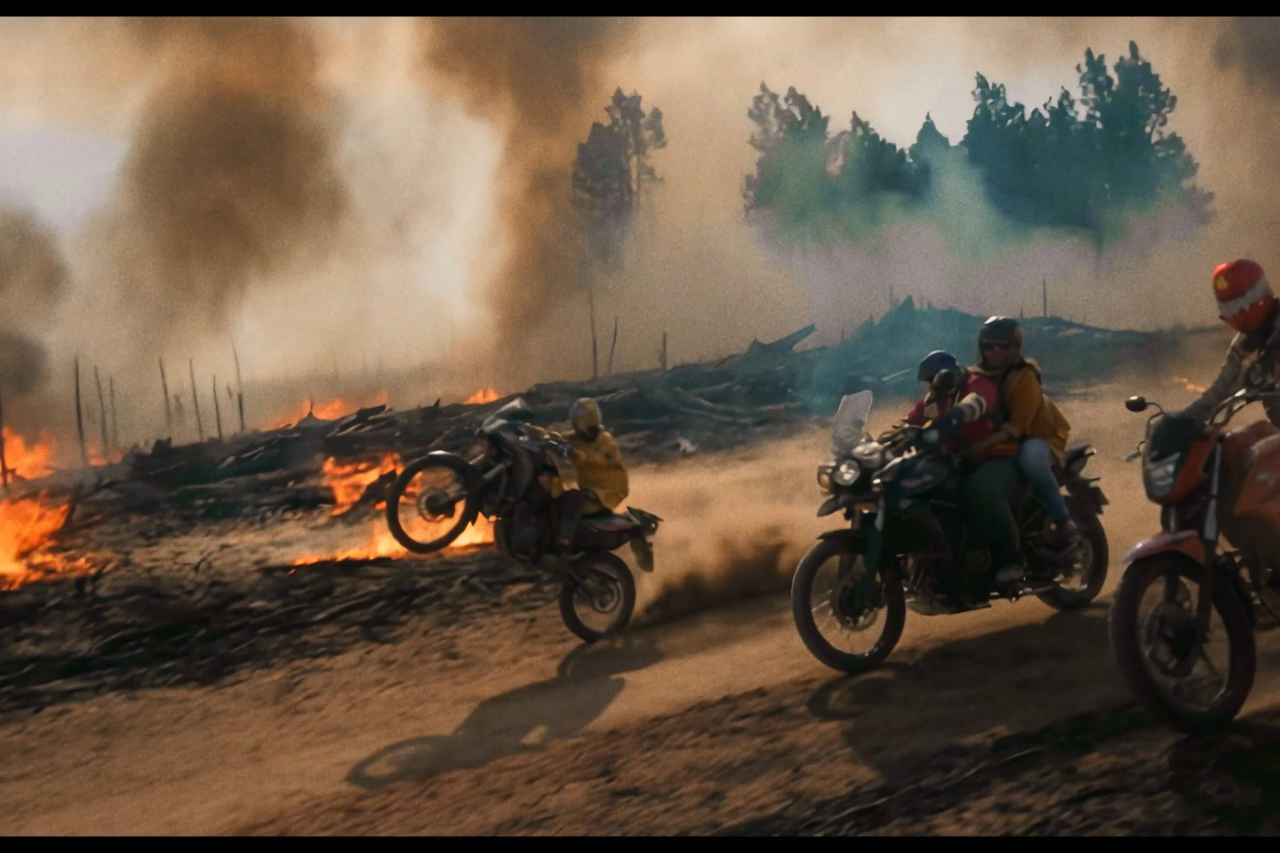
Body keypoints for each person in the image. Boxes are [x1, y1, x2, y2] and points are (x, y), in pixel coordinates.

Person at [962, 317, 1075, 587]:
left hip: (1035, 436)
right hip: (1000, 445)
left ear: (1014, 347)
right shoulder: (974, 376)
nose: (993, 352)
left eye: (1000, 346)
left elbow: (1017, 427)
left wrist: (979, 447)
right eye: (988, 346)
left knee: (1031, 462)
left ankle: (1061, 520)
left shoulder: (1024, 376)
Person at [529, 398, 652, 570]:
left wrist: (575, 453)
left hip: (608, 491)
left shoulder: (605, 441)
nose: (582, 429)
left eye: (583, 424)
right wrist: (530, 430)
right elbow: (557, 437)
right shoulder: (578, 439)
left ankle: (563, 544)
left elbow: (596, 457)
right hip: (591, 489)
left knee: (573, 497)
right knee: (556, 498)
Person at [1181, 259, 1280, 425]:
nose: (1234, 317)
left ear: (1257, 298)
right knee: (1250, 436)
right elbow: (1221, 390)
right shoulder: (1244, 345)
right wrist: (1182, 421)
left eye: (1237, 308)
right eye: (1227, 311)